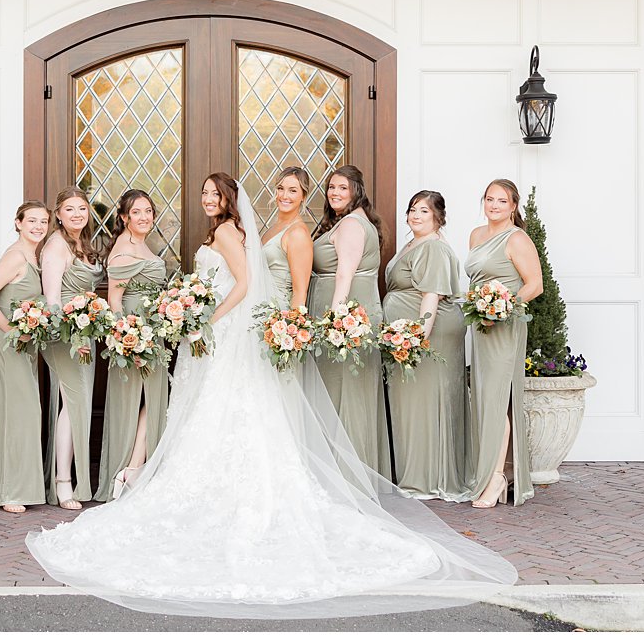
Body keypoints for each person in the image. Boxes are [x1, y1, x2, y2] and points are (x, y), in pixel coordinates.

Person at [26, 174, 516, 619]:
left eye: (215, 194)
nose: (208, 200)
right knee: (214, 409)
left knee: (235, 408)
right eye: (205, 194)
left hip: (231, 326)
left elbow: (245, 284)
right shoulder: (239, 234)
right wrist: (195, 309)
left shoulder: (235, 234)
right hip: (228, 328)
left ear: (230, 202)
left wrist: (208, 318)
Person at [463, 179, 544, 509]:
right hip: (479, 326)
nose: (494, 205)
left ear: (513, 206)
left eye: (501, 200)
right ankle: (491, 471)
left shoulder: (517, 238)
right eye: (489, 199)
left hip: (504, 327)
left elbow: (535, 285)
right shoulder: (476, 235)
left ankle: (496, 478)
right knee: (484, 398)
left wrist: (501, 307)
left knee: (497, 399)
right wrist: (479, 307)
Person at [383, 190, 468, 501]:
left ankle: (428, 478)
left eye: (424, 211)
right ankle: (414, 473)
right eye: (412, 210)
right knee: (410, 404)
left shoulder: (432, 247)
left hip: (427, 334)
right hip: (406, 333)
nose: (415, 216)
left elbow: (431, 295)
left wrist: (417, 338)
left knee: (424, 403)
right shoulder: (415, 243)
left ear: (438, 218)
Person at [308, 164, 390, 477]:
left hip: (344, 320)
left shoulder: (353, 225)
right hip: (350, 314)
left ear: (357, 191)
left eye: (343, 187)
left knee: (342, 393)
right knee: (344, 391)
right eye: (331, 187)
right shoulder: (353, 221)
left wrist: (335, 319)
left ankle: (345, 474)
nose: (335, 193)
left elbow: (344, 274)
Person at [0, 201, 51, 514]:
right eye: (31, 220)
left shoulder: (34, 255)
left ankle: (11, 485)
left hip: (21, 343)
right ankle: (8, 490)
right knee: (14, 413)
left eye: (43, 221)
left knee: (21, 413)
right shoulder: (16, 255)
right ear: (18, 223)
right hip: (6, 342)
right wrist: (11, 331)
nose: (38, 226)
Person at [95, 189, 170, 501]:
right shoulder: (123, 249)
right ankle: (125, 468)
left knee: (154, 399)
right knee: (136, 401)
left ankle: (136, 466)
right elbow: (114, 299)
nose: (144, 217)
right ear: (124, 218)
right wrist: (129, 341)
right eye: (137, 212)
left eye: (148, 211)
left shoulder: (142, 244)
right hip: (135, 334)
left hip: (154, 330)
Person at [38, 186, 102, 509]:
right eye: (70, 209)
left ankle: (67, 478)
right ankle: (62, 482)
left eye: (82, 209)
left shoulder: (83, 244)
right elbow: (51, 302)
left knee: (78, 405)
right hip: (65, 336)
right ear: (58, 215)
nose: (77, 214)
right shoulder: (55, 246)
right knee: (73, 405)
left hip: (83, 333)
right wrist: (75, 336)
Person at [261, 166, 314, 312]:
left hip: (278, 313)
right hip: (259, 309)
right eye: (280, 188)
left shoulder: (297, 233)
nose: (284, 196)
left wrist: (289, 330)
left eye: (293, 190)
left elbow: (300, 292)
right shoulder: (272, 228)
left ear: (303, 196)